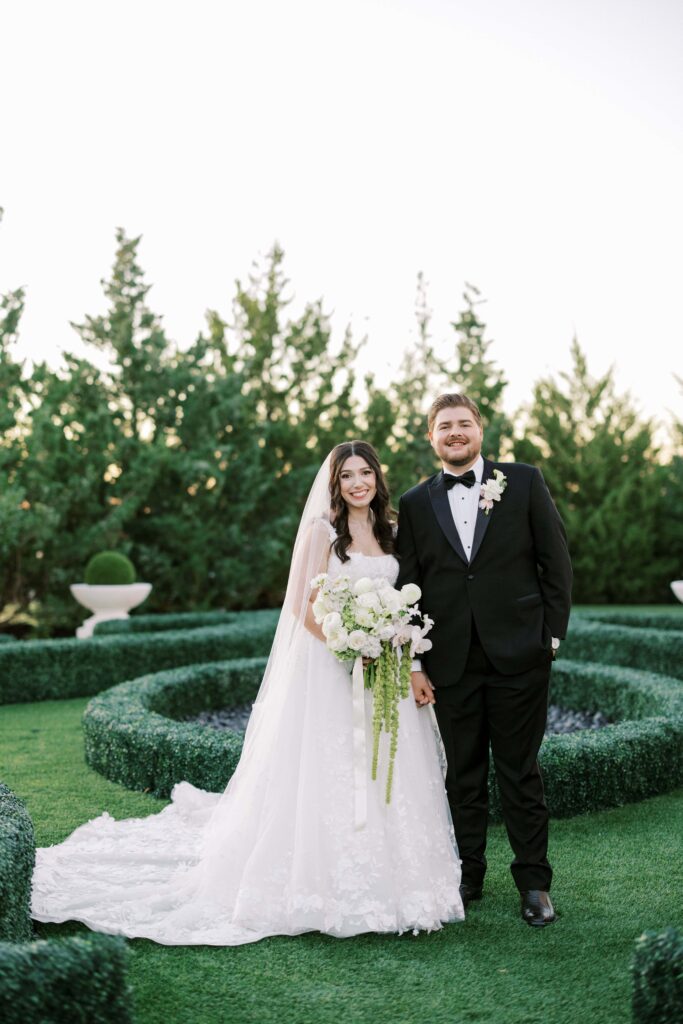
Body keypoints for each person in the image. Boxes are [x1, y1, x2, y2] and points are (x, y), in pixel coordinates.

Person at [31, 441, 464, 945]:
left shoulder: (392, 530)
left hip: (385, 668)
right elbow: (301, 605)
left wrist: (392, 646)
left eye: (365, 473)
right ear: (335, 484)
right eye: (347, 475)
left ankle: (400, 880)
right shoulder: (322, 531)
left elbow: (405, 600)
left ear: (377, 477)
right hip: (333, 668)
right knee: (332, 767)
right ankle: (322, 883)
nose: (357, 483)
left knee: (385, 767)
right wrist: (350, 646)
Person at [396, 394, 572, 928]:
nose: (455, 432)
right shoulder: (415, 502)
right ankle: (467, 876)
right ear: (431, 436)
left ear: (480, 429)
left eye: (463, 423)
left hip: (520, 655)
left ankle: (534, 884)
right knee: (463, 776)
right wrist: (415, 663)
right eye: (444, 425)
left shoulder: (523, 481)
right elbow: (409, 586)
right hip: (449, 662)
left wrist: (551, 638)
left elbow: (556, 560)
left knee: (521, 773)